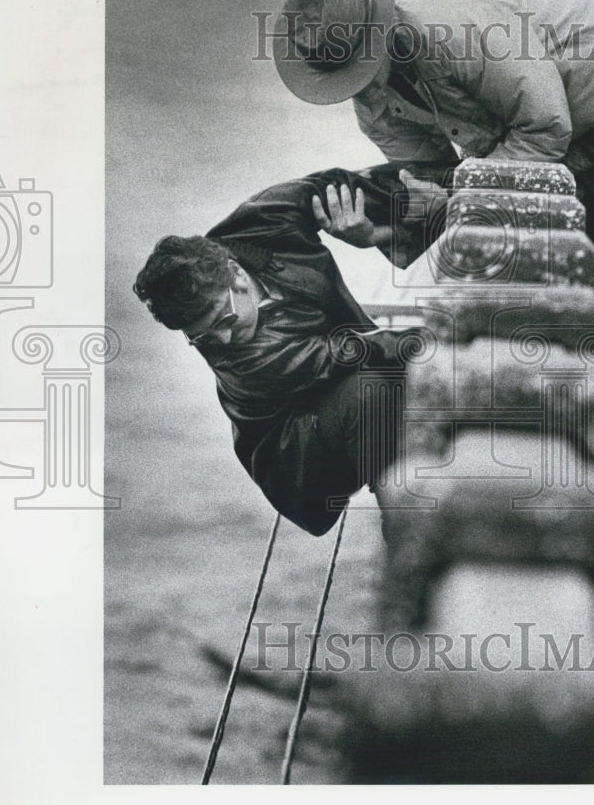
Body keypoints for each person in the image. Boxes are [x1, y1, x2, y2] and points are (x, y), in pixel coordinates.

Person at [273, 0, 594, 566]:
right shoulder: (374, 102)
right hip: (554, 156)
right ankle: (569, 490)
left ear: (381, 32)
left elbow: (544, 125)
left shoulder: (466, 31)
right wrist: (376, 226)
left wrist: (467, 189)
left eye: (362, 69)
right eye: (348, 82)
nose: (365, 91)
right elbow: (431, 184)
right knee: (557, 316)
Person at [133, 162, 451, 537]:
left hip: (342, 390)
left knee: (395, 386)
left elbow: (337, 187)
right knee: (370, 392)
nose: (222, 343)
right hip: (297, 460)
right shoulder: (250, 364)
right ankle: (405, 527)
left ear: (235, 273)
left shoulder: (258, 224)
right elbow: (354, 351)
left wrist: (424, 199)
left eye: (223, 319)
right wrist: (448, 341)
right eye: (200, 338)